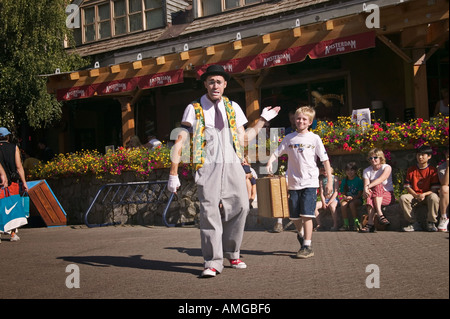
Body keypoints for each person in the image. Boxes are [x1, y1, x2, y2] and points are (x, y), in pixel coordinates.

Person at [167, 64, 280, 278]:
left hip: (232, 162)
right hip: (207, 165)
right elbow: (180, 142)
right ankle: (212, 261)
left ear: (225, 84)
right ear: (205, 84)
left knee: (241, 207)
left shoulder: (233, 107)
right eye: (211, 81)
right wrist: (173, 173)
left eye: (219, 81)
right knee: (210, 213)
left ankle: (232, 252)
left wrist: (263, 120)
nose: (215, 85)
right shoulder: (194, 108)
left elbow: (243, 139)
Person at [267, 106, 333, 259]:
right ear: (294, 120)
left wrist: (329, 181)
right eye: (298, 118)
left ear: (310, 122)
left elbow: (325, 161)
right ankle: (302, 234)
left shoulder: (314, 138)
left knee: (307, 215)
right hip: (293, 183)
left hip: (310, 182)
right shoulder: (289, 138)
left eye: (304, 119)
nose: (300, 121)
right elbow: (277, 152)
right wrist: (270, 161)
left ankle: (307, 246)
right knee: (295, 217)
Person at [400, 145, 441, 232]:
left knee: (434, 197)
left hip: (427, 196)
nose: (420, 157)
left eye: (423, 155)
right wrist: (415, 195)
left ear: (429, 156)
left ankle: (431, 222)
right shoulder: (411, 169)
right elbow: (408, 186)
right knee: (403, 198)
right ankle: (413, 223)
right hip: (415, 195)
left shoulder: (432, 170)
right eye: (418, 155)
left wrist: (424, 194)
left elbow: (434, 189)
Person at [0, 127, 29, 242]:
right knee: (13, 206)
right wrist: (24, 182)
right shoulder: (14, 148)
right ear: (7, 136)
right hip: (12, 182)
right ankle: (13, 234)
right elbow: (19, 167)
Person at [359, 148, 395, 233]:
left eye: (375, 157)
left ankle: (372, 221)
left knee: (377, 185)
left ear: (380, 158)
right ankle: (375, 220)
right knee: (369, 195)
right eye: (371, 158)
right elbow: (366, 187)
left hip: (387, 195)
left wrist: (367, 187)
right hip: (375, 197)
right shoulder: (367, 171)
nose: (373, 160)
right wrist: (366, 189)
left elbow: (381, 179)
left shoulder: (386, 167)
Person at [339, 162, 364, 231]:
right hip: (347, 199)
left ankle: (356, 223)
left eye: (351, 170)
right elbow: (343, 193)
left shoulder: (358, 180)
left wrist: (352, 198)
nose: (349, 172)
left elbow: (360, 194)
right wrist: (345, 197)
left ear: (355, 171)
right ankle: (346, 224)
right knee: (343, 204)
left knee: (352, 204)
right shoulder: (344, 181)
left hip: (357, 199)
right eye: (347, 170)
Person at [314, 165, 339, 231]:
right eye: (323, 170)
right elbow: (321, 193)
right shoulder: (322, 180)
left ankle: (335, 224)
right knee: (315, 206)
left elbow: (336, 192)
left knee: (332, 206)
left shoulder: (335, 178)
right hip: (325, 199)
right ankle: (319, 224)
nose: (325, 171)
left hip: (333, 199)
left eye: (326, 170)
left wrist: (330, 202)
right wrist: (324, 202)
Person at [437, 149, 449, 232]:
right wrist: (448, 167)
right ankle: (444, 217)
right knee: (444, 188)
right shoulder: (442, 167)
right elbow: (444, 183)